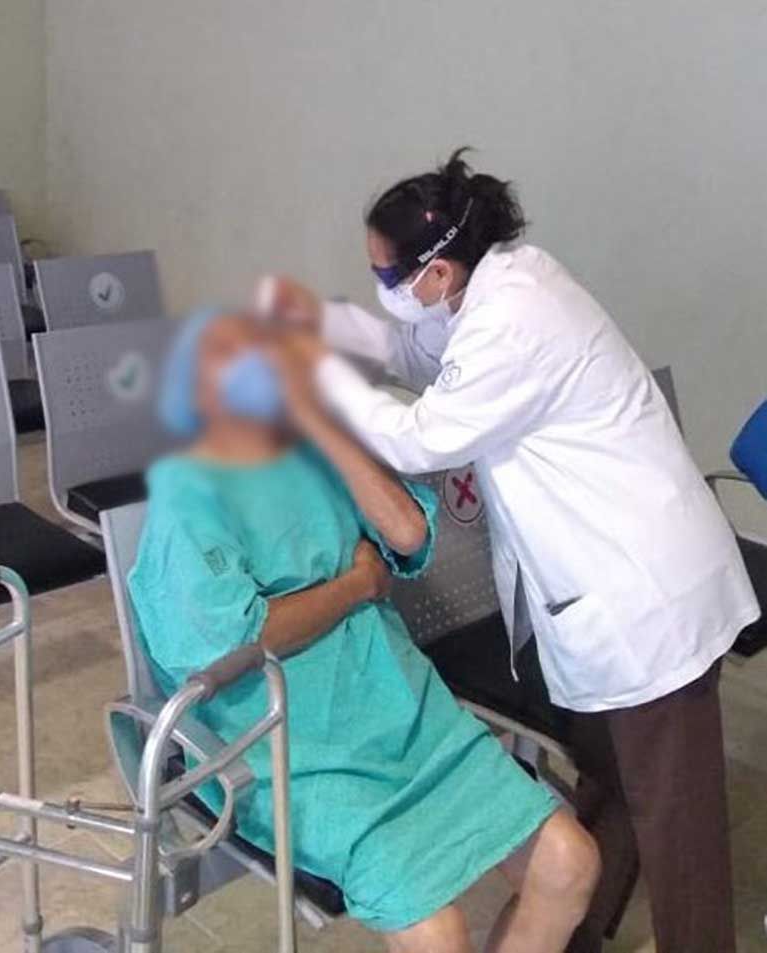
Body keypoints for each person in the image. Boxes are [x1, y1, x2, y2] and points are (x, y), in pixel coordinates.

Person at [263, 149, 760, 953]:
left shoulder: (517, 316)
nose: (383, 286)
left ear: (437, 269)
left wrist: (319, 389)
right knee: (620, 779)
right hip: (623, 574)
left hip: (644, 591)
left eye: (386, 273)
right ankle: (576, 927)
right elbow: (427, 354)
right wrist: (329, 327)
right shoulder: (498, 284)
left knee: (676, 821)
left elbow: (423, 437)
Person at [128, 309, 599, 953]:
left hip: (404, 714)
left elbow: (405, 532)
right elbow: (236, 642)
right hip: (289, 749)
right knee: (437, 931)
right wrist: (354, 585)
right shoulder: (190, 498)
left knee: (570, 863)